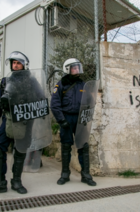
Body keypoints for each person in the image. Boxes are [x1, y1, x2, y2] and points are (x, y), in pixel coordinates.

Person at [0, 51, 45, 195]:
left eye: (18, 63)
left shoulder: (32, 81)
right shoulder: (6, 81)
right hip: (8, 120)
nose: (15, 65)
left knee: (21, 150)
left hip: (25, 121)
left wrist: (39, 111)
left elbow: (41, 98)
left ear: (24, 65)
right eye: (14, 63)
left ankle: (16, 181)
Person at [50, 58, 96, 186]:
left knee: (83, 146)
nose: (77, 70)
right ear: (67, 69)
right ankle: (65, 175)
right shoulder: (61, 84)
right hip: (66, 118)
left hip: (80, 120)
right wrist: (61, 120)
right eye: (74, 67)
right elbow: (54, 104)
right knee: (66, 147)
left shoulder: (83, 84)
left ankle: (86, 175)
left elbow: (89, 102)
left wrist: (87, 116)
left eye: (78, 67)